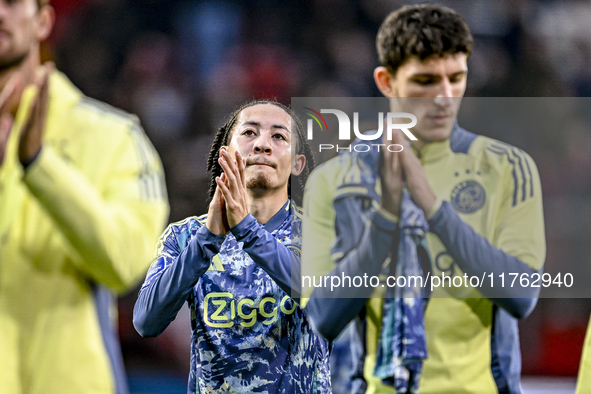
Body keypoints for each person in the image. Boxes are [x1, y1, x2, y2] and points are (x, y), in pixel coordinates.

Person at [301, 3, 546, 393]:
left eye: (456, 78)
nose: (445, 96)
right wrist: (387, 217)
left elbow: (520, 295)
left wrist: (431, 205)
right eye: (426, 80)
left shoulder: (508, 169)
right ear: (386, 82)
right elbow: (322, 318)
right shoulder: (334, 180)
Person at [0, 0, 169, 393]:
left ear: (43, 20)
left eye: (10, 2)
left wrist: (39, 165)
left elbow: (125, 262)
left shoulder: (114, 136)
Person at [133, 100, 331, 393]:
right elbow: (146, 321)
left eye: (279, 136)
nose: (263, 144)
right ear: (226, 152)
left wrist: (246, 230)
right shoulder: (184, 236)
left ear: (298, 164)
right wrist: (207, 240)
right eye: (249, 133)